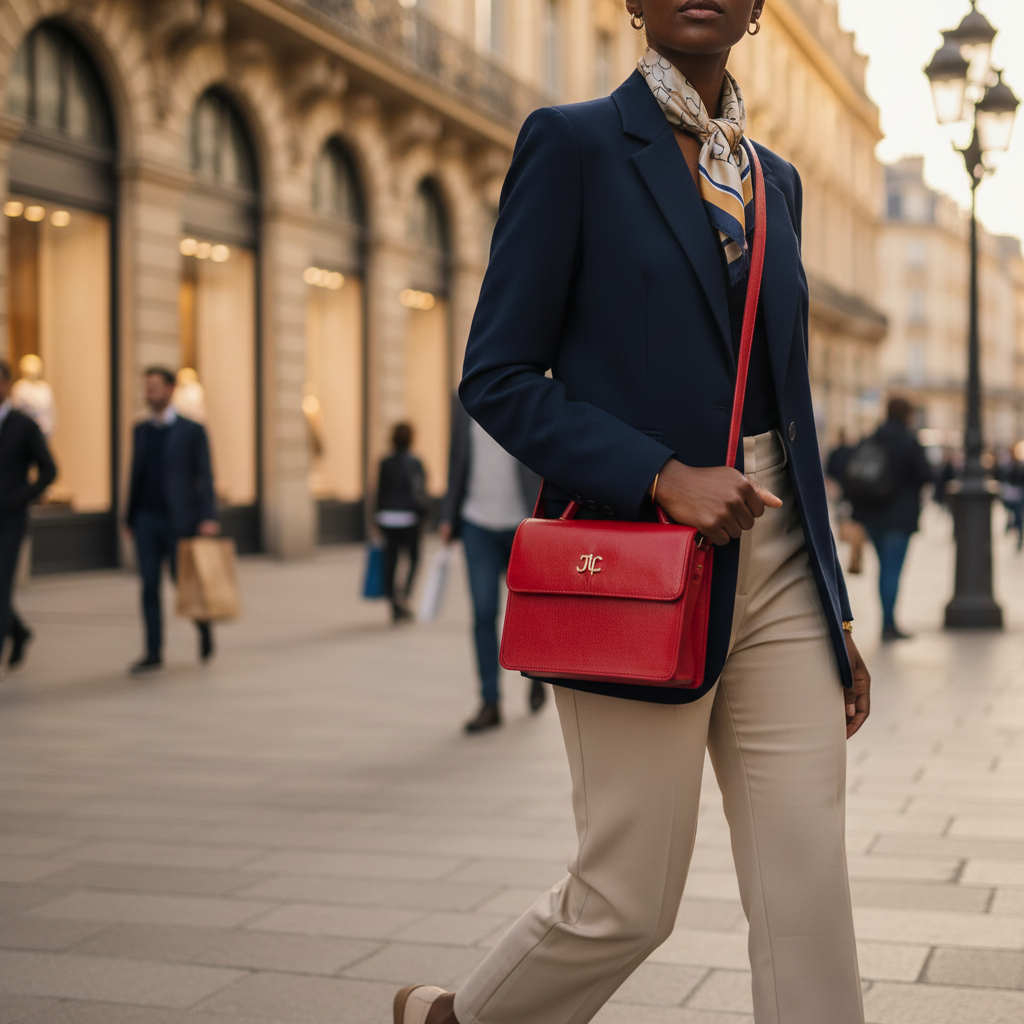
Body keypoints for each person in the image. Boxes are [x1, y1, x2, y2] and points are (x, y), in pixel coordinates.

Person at [392, 3, 871, 1024]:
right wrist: (658, 473)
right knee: (625, 900)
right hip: (641, 556)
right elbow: (499, 376)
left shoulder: (775, 183)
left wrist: (831, 609)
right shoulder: (570, 146)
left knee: (808, 893)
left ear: (753, 11)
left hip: (778, 558)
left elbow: (792, 412)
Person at [438, 393, 544, 733]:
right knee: (483, 613)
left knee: (528, 614)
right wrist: (448, 515)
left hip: (522, 526)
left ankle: (536, 675)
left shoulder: (526, 398)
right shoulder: (465, 401)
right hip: (476, 524)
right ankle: (489, 700)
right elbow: (457, 459)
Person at [125, 367, 219, 674]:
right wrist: (129, 517)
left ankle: (203, 627)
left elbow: (204, 475)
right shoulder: (140, 430)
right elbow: (135, 476)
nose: (149, 393)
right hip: (146, 520)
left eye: (154, 387)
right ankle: (153, 651)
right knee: (149, 585)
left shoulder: (192, 430)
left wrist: (208, 516)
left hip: (181, 521)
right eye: (146, 387)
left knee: (185, 584)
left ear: (170, 389)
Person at [849, 397, 932, 641]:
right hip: (899, 517)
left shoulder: (872, 438)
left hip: (871, 516)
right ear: (907, 415)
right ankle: (888, 625)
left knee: (884, 568)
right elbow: (925, 474)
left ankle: (887, 621)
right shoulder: (909, 441)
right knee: (891, 570)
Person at [0, 359, 57, 671]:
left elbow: (49, 470)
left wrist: (22, 496)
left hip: (10, 518)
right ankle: (19, 632)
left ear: (6, 384)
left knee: (1, 584)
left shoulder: (24, 425)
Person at [375, 423, 427, 623]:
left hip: (388, 518)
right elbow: (420, 491)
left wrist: (376, 518)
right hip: (409, 518)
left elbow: (379, 492)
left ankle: (393, 601)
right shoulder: (415, 463)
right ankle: (403, 593)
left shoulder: (385, 463)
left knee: (391, 561)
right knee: (413, 558)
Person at [826, 428, 865, 574]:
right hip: (855, 491)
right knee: (855, 522)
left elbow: (829, 472)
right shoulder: (853, 451)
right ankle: (855, 554)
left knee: (842, 519)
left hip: (841, 490)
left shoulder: (835, 452)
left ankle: (847, 540)